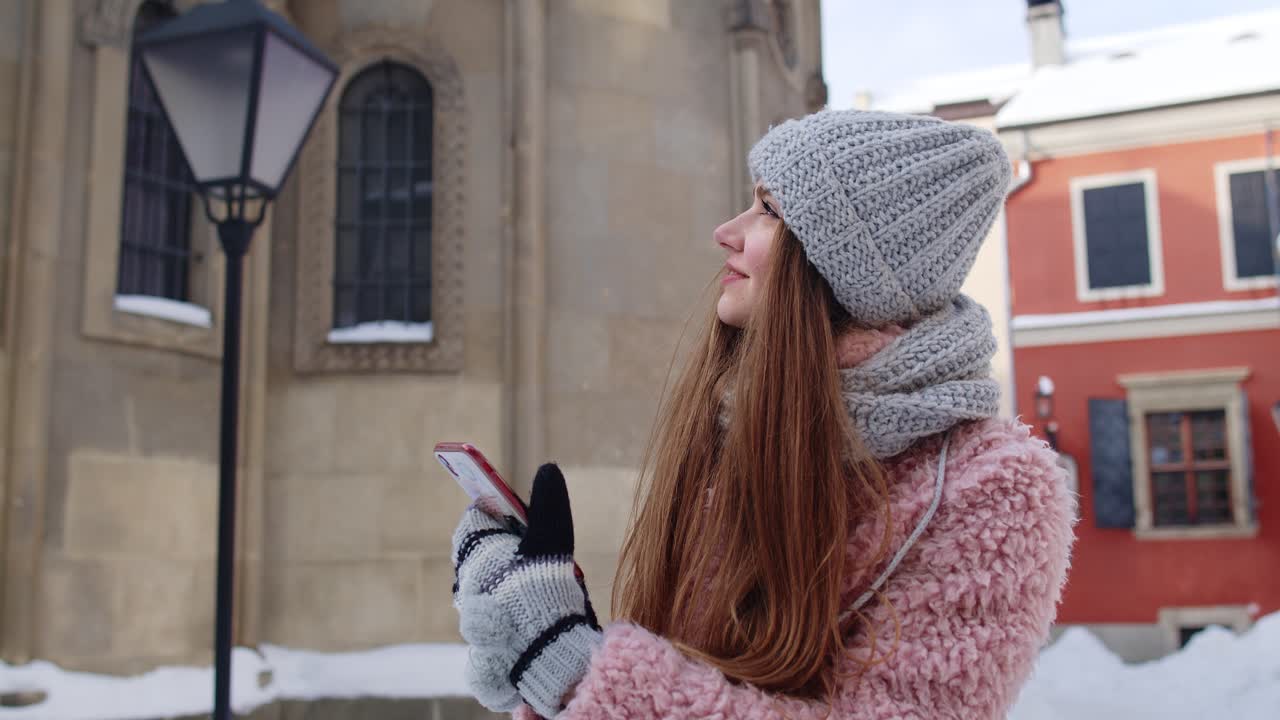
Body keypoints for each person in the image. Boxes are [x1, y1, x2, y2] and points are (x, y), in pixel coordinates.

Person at [450, 109, 1075, 720]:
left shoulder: (993, 486)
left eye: (770, 210)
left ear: (843, 265)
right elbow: (698, 672)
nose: (727, 229)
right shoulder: (746, 426)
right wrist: (535, 639)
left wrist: (578, 673)